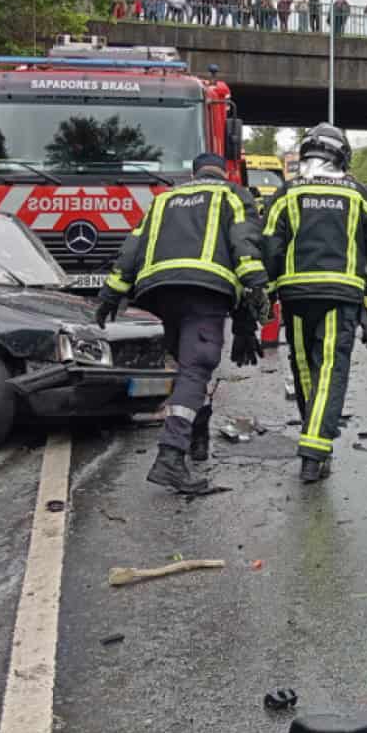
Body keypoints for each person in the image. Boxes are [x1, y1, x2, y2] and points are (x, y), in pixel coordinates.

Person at [95, 153, 269, 495]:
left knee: (187, 368)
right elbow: (244, 243)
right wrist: (256, 287)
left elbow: (132, 248)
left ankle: (197, 436)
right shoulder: (233, 194)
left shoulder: (165, 199)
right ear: (224, 172)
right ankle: (171, 456)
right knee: (196, 367)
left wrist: (110, 294)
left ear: (194, 173)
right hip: (205, 290)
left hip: (159, 292)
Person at [262, 124, 367, 482]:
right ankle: (314, 451)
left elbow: (270, 243)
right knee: (331, 369)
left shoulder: (287, 192)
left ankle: (311, 437)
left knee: (305, 367)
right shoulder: (359, 194)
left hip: (295, 296)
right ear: (341, 156)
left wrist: (269, 289)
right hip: (341, 294)